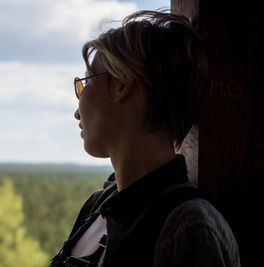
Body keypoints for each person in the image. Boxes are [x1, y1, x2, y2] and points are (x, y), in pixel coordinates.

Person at [50, 10, 240, 267]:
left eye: (84, 82)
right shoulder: (99, 205)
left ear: (122, 84)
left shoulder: (191, 228)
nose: (76, 110)